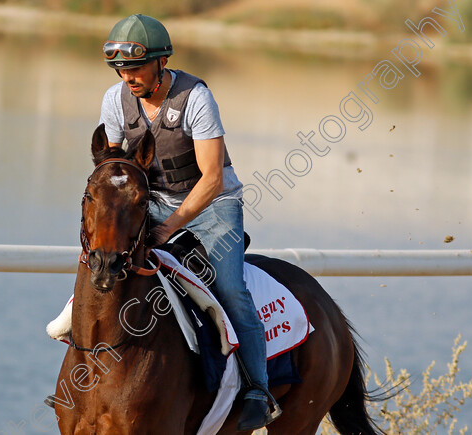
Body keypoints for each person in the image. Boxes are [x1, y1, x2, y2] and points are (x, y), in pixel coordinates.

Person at [99, 14, 279, 431]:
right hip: (151, 202)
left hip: (212, 205)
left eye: (137, 68)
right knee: (105, 260)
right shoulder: (114, 99)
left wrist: (167, 228)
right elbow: (113, 168)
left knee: (231, 291)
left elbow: (213, 178)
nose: (129, 77)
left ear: (162, 62)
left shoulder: (196, 97)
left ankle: (258, 389)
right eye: (121, 69)